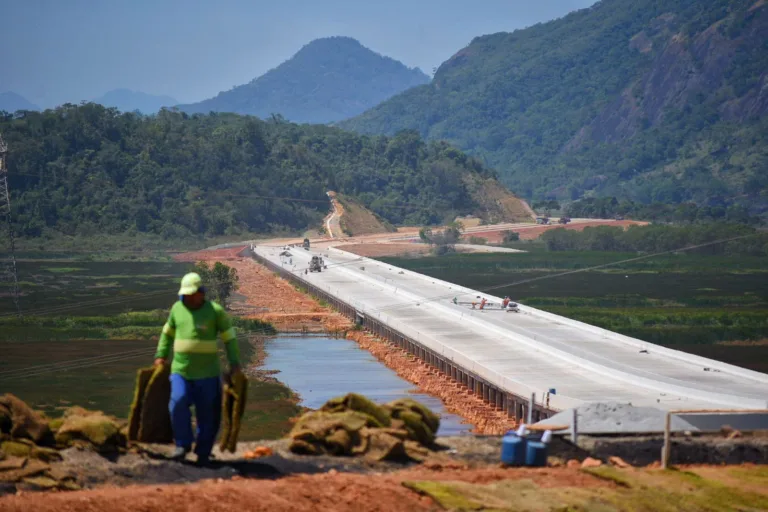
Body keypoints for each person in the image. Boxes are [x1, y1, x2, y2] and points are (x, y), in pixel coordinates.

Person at [154, 272, 241, 464]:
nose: (188, 298)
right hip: (181, 371)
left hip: (207, 373)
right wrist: (161, 355)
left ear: (201, 292)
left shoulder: (214, 311)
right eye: (185, 295)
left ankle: (203, 451)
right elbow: (167, 334)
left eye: (192, 294)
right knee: (177, 403)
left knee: (208, 413)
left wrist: (234, 362)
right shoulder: (177, 309)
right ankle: (182, 444)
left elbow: (229, 338)